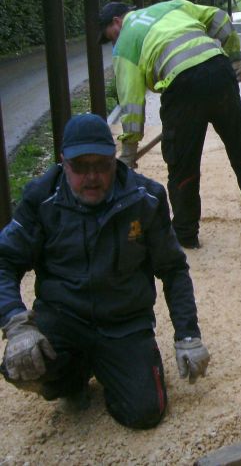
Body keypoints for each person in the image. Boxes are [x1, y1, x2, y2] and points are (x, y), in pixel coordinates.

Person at [0, 113, 210, 429]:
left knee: (144, 413)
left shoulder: (146, 199)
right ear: (63, 163)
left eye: (102, 165)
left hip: (124, 323)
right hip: (64, 317)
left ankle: (114, 365)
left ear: (115, 160)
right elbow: (4, 261)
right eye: (81, 167)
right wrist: (16, 323)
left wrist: (188, 334)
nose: (93, 176)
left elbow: (173, 269)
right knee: (22, 364)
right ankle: (71, 377)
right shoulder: (40, 199)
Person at [98, 0, 241, 249]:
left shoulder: (125, 43)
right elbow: (220, 18)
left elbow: (131, 101)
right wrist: (235, 58)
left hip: (181, 86)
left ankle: (185, 235)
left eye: (109, 36)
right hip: (219, 70)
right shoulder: (171, 6)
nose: (112, 43)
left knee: (183, 167)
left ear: (117, 21)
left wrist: (129, 151)